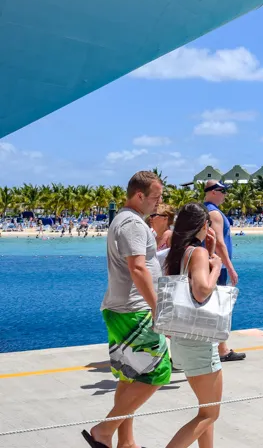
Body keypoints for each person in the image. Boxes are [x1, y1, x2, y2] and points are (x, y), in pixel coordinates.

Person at [84, 171, 169, 448]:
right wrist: (157, 308)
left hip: (122, 308)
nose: (159, 203)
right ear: (139, 195)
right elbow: (137, 267)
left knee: (130, 375)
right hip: (135, 311)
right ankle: (104, 432)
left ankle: (127, 443)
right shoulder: (132, 223)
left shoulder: (124, 220)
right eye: (156, 197)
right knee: (158, 373)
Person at [163, 204, 224, 448]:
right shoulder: (195, 253)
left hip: (181, 339)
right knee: (210, 414)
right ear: (201, 226)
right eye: (207, 224)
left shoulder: (176, 254)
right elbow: (201, 291)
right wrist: (216, 267)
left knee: (205, 410)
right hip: (199, 340)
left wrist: (208, 251)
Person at [203, 181, 245, 363]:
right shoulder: (214, 213)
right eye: (223, 191)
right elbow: (219, 242)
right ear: (213, 192)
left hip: (208, 264)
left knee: (211, 306)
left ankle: (220, 347)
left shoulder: (204, 210)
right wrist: (230, 267)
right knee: (219, 308)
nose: (225, 195)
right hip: (215, 267)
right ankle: (221, 349)